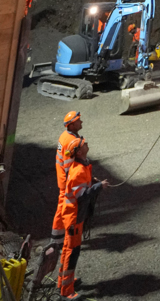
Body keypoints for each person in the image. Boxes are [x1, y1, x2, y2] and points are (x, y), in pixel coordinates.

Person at [57, 137, 104, 299]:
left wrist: (92, 182)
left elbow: (83, 186)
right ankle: (66, 291)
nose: (86, 143)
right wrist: (99, 186)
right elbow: (81, 196)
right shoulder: (78, 170)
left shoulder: (82, 165)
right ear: (79, 151)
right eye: (83, 143)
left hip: (72, 214)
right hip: (73, 217)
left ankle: (62, 281)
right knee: (73, 251)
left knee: (67, 249)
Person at [51, 111, 83, 257]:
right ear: (71, 124)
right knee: (64, 210)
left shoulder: (65, 136)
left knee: (61, 208)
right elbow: (72, 167)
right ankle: (59, 240)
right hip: (67, 182)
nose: (81, 122)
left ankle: (57, 238)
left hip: (62, 179)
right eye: (78, 121)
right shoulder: (70, 141)